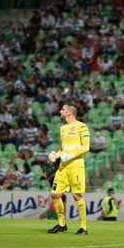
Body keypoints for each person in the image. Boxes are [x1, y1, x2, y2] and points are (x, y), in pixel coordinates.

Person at [47, 99, 90, 235]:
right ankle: (61, 224)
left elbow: (85, 147)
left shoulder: (82, 127)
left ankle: (83, 227)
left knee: (77, 196)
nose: (60, 111)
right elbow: (63, 148)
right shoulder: (62, 128)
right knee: (55, 194)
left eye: (63, 109)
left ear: (70, 112)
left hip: (76, 166)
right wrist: (57, 155)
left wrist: (70, 155)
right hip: (63, 167)